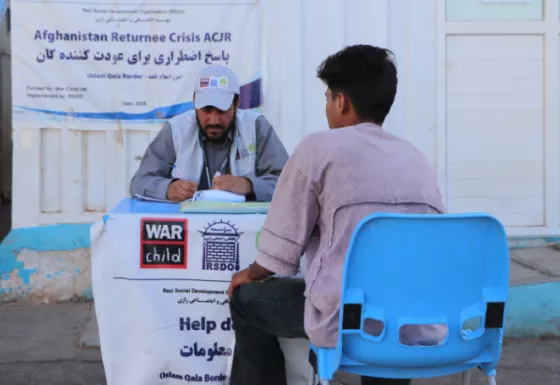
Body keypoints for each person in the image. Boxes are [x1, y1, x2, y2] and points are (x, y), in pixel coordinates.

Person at [226, 45, 447, 385]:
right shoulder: (414, 157)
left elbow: (280, 251)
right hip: (411, 322)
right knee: (389, 304)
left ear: (341, 101)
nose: (327, 106)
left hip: (346, 318)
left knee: (246, 301)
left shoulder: (318, 148)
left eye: (327, 97)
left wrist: (250, 273)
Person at [130, 65, 289, 202]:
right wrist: (168, 189)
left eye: (222, 110)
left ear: (236, 104)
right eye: (206, 110)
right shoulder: (176, 130)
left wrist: (249, 185)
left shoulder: (256, 127)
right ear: (194, 103)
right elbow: (139, 182)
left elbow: (290, 183)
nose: (213, 120)